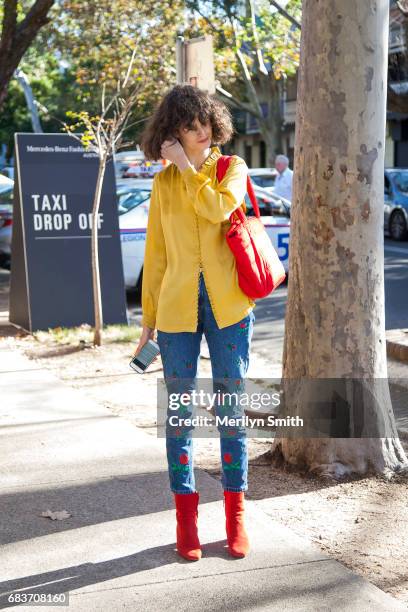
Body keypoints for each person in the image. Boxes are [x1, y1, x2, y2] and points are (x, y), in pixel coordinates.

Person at [133, 84, 256, 561]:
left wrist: (187, 169)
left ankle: (235, 517)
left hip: (229, 308)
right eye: (187, 125)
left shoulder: (232, 169)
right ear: (172, 132)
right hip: (176, 310)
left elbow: (218, 208)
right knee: (180, 414)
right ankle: (186, 521)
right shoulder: (162, 185)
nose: (199, 131)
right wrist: (147, 322)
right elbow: (157, 256)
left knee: (231, 409)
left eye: (204, 122)